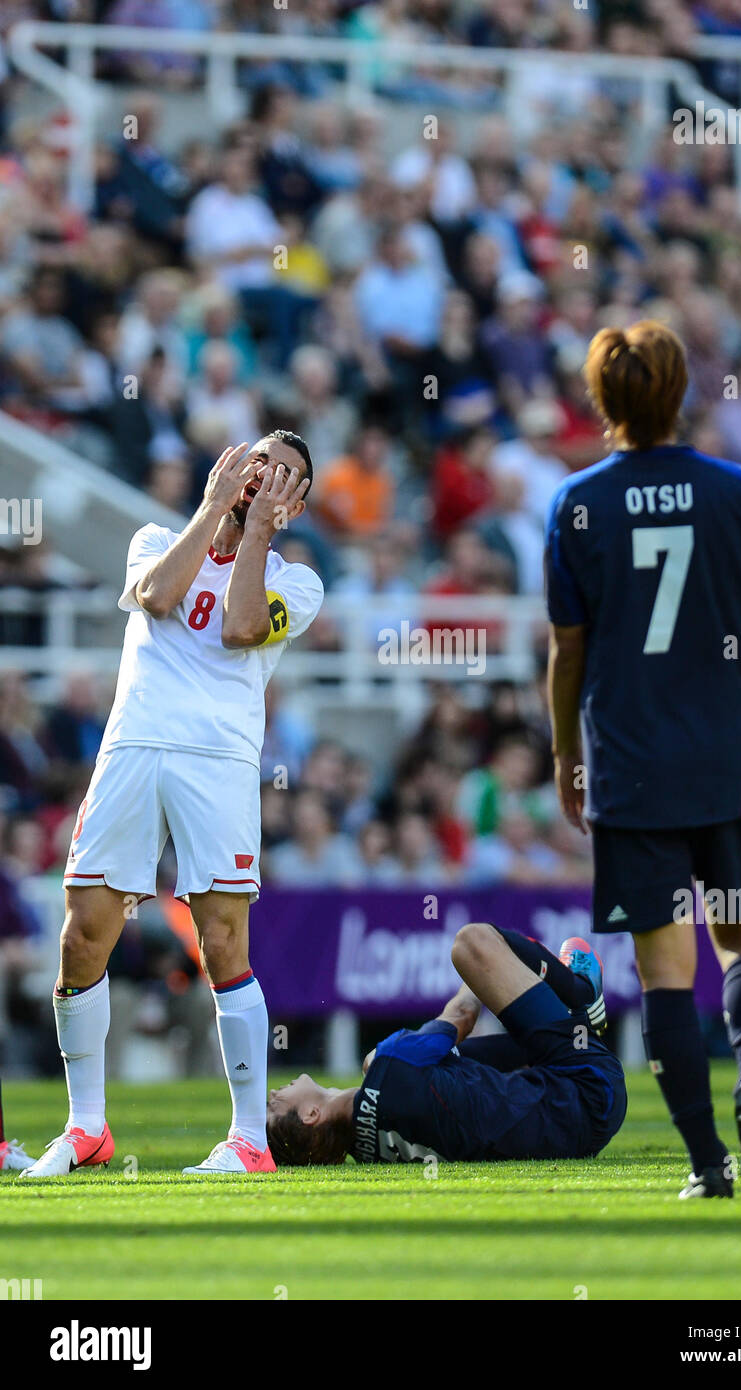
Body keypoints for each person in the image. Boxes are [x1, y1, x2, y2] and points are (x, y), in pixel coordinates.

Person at [545, 320, 741, 1199]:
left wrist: (567, 750)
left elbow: (568, 649)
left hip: (631, 770)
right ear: (679, 392)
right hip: (727, 764)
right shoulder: (734, 492)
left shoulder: (578, 504)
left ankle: (708, 1163)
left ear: (602, 400)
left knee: (663, 973)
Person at [20, 433, 324, 1180]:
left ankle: (249, 1140)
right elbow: (157, 596)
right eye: (260, 464)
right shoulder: (157, 538)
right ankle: (86, 1127)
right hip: (132, 748)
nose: (268, 479)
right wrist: (216, 509)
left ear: (298, 503)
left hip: (217, 759)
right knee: (82, 933)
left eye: (287, 476)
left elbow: (241, 627)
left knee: (222, 941)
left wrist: (252, 534)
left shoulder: (299, 582)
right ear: (231, 467)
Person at [266, 924, 624, 1166]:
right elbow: (464, 1014)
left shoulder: (372, 1154)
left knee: (451, 1073)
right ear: (311, 1116)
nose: (270, 1096)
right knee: (472, 942)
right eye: (273, 1109)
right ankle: (580, 994)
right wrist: (491, 975)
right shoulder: (388, 1066)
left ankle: (578, 1032)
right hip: (590, 1089)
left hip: (579, 1136)